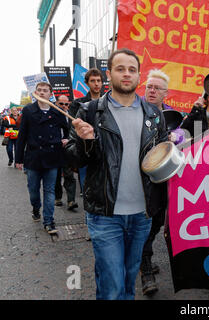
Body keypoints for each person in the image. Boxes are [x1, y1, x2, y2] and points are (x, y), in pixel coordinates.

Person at [65, 48, 168, 300]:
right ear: (109, 74)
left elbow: (162, 154)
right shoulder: (88, 111)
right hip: (105, 214)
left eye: (132, 70)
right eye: (120, 69)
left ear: (138, 76)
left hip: (142, 214)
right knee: (112, 285)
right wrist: (85, 140)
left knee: (128, 280)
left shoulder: (154, 115)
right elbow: (72, 159)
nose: (126, 74)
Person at [139, 68, 183, 296]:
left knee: (157, 223)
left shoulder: (172, 116)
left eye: (157, 88)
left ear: (166, 93)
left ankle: (142, 257)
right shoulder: (135, 111)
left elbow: (184, 136)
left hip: (164, 180)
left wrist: (177, 137)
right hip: (138, 182)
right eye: (149, 86)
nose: (152, 90)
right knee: (144, 225)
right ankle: (145, 270)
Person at [15, 82, 69, 234]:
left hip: (52, 156)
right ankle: (35, 208)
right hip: (33, 157)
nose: (42, 93)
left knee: (49, 190)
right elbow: (22, 136)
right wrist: (18, 159)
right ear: (36, 93)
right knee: (33, 190)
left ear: (50, 94)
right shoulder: (28, 110)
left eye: (45, 91)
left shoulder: (57, 111)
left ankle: (49, 221)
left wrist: (66, 139)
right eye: (39, 90)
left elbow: (67, 130)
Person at [69, 68, 104, 196]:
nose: (96, 84)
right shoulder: (78, 104)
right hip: (85, 148)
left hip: (103, 147)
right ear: (87, 83)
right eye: (93, 81)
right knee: (86, 187)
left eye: (99, 80)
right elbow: (72, 127)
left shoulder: (109, 102)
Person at [54, 95, 78, 211]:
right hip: (55, 150)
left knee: (69, 175)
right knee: (56, 175)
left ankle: (71, 200)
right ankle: (58, 198)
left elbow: (75, 132)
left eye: (66, 104)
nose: (64, 106)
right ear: (56, 103)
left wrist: (69, 140)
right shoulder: (52, 115)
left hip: (68, 150)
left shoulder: (71, 116)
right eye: (61, 104)